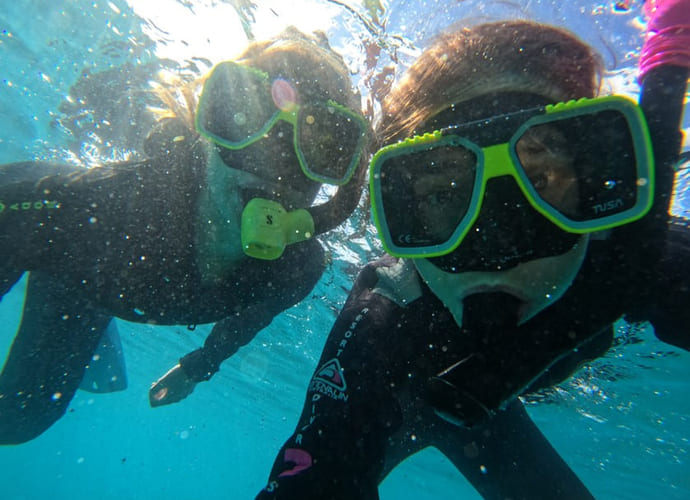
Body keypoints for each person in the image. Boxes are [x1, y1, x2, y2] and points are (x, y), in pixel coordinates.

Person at [256, 4, 690, 499]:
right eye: (443, 196)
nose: (497, 250)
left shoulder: (639, 255)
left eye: (541, 181)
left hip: (486, 419)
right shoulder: (387, 317)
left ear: (595, 188)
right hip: (414, 397)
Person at [0, 27, 369, 445]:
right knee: (20, 416)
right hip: (73, 271)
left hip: (99, 277)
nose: (273, 164)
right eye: (242, 117)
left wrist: (198, 367)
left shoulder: (296, 268)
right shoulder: (94, 208)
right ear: (205, 123)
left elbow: (249, 317)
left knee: (22, 419)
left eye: (322, 145)